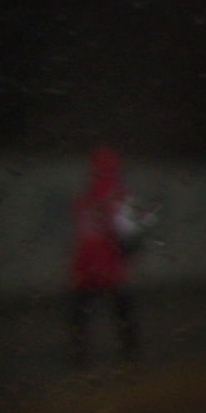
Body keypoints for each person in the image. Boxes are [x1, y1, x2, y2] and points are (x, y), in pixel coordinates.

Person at [69, 146, 141, 368]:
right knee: (122, 312)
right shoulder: (119, 196)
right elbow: (128, 235)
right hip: (110, 267)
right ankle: (129, 355)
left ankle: (79, 356)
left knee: (80, 314)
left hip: (84, 267)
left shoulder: (84, 197)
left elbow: (79, 233)